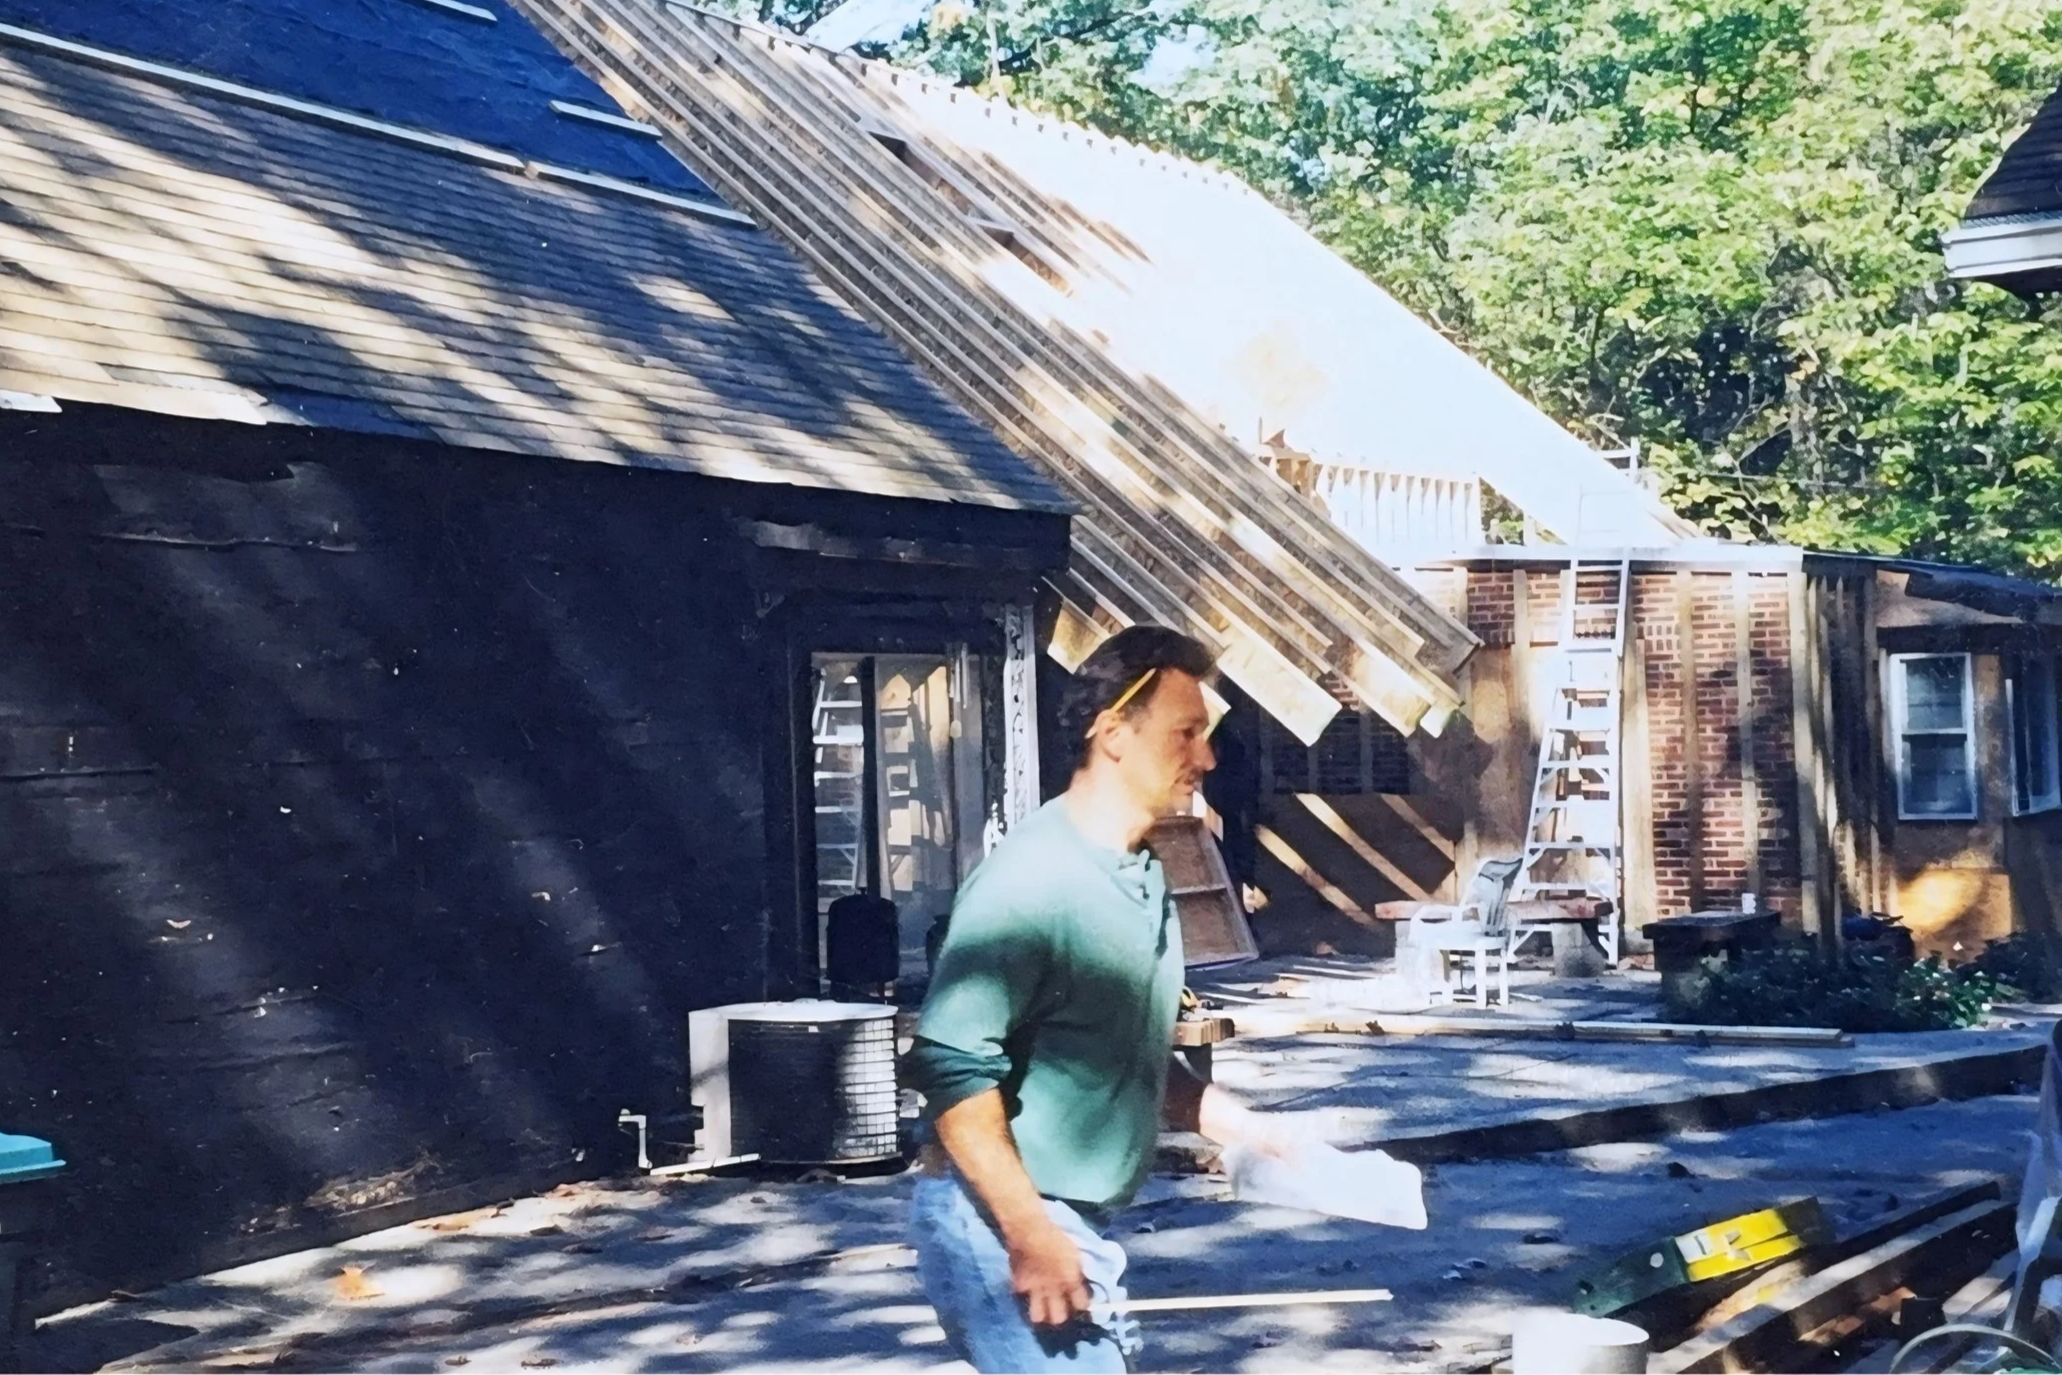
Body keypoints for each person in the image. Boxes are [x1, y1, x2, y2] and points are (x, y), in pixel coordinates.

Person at [904, 625, 1290, 1373]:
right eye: (1187, 732)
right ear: (1114, 731)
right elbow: (951, 1073)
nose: (1205, 758)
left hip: (1070, 1217)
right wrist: (1029, 1233)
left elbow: (1112, 1048)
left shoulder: (1140, 870)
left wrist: (1242, 1126)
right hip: (1000, 1215)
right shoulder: (1034, 882)